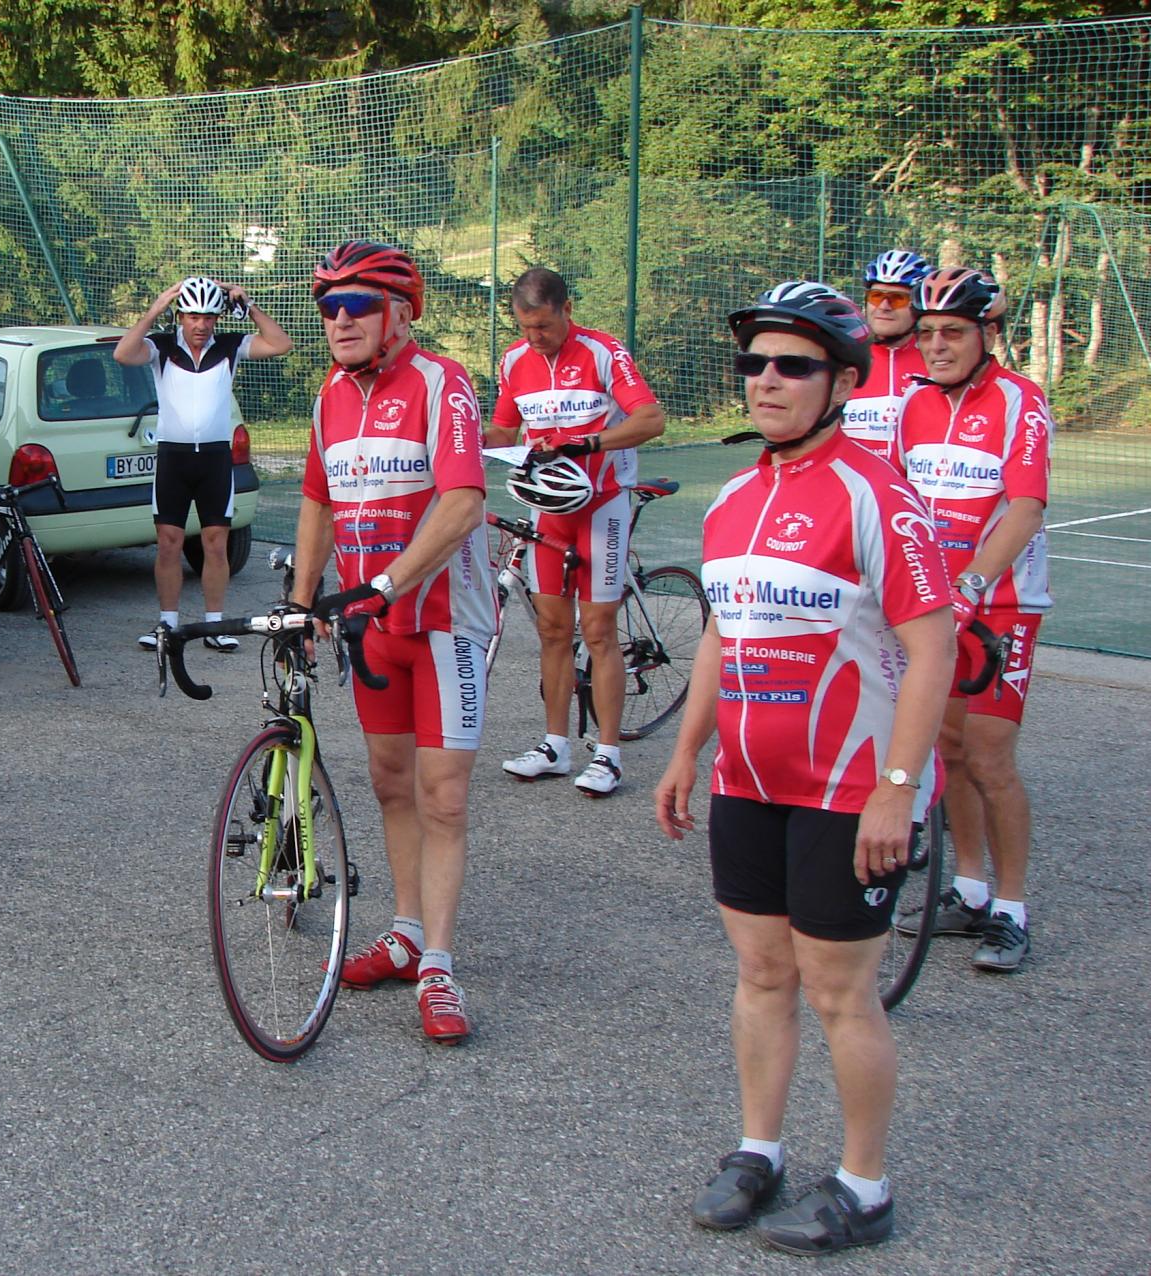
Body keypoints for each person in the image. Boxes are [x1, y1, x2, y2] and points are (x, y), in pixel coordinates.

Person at [654, 281, 953, 1255]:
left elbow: (932, 647)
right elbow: (714, 638)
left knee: (838, 991)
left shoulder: (874, 492)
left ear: (838, 381)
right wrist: (686, 750)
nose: (766, 381)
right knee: (759, 973)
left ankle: (864, 1186)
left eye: (791, 365)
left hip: (846, 789)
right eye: (751, 364)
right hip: (747, 780)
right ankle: (758, 1151)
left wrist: (896, 791)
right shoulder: (733, 499)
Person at [291, 241, 493, 1044]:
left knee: (442, 795)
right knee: (388, 783)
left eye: (357, 306)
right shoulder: (328, 397)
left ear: (400, 313)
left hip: (444, 622)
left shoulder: (441, 383)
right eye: (328, 308)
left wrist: (387, 583)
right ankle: (405, 931)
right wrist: (300, 604)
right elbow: (315, 505)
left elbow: (464, 503)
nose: (339, 321)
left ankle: (438, 966)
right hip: (370, 627)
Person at [893, 266, 1052, 973]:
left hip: (1002, 605)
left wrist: (973, 584)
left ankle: (1012, 912)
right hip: (935, 604)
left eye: (951, 333)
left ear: (986, 333)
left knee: (987, 758)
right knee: (947, 750)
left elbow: (1023, 507)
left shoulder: (1021, 401)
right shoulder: (911, 405)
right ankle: (968, 888)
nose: (935, 346)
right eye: (925, 333)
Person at [481, 267, 665, 796]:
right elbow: (503, 427)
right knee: (553, 632)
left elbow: (651, 419)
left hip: (602, 506)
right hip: (549, 511)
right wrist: (468, 434)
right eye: (525, 327)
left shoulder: (604, 352)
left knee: (600, 631)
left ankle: (608, 754)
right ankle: (555, 745)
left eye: (543, 326)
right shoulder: (516, 361)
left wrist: (585, 444)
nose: (535, 338)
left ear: (566, 310)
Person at [113, 275, 291, 651]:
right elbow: (123, 354)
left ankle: (215, 624)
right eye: (193, 316)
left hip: (214, 458)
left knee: (215, 543)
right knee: (168, 544)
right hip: (173, 458)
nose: (201, 325)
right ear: (180, 316)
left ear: (218, 319)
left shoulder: (229, 346)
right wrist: (155, 309)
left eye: (209, 317)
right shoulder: (162, 347)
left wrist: (249, 303)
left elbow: (280, 344)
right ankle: (167, 624)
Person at [840, 250, 932, 459]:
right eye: (876, 296)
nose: (883, 306)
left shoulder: (938, 362)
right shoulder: (843, 358)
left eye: (897, 299)